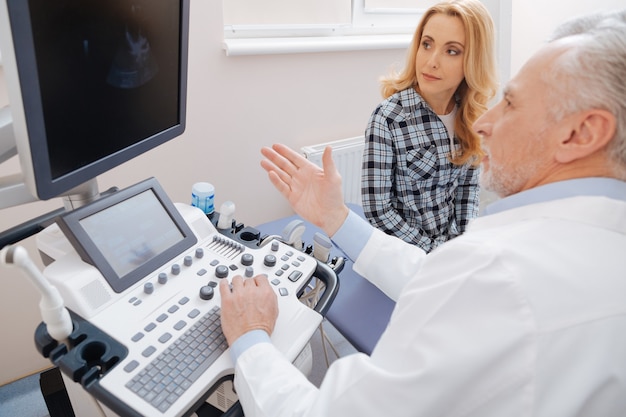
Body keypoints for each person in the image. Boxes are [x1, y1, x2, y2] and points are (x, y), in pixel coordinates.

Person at [219, 9, 626, 417]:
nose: (486, 122)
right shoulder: (591, 248)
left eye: (513, 103)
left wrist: (251, 341)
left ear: (582, 133)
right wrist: (337, 219)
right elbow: (432, 267)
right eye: (428, 44)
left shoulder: (492, 272)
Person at [361, 0, 497, 252]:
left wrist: (462, 242)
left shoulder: (471, 117)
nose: (431, 61)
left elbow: (467, 189)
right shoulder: (388, 119)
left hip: (453, 248)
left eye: (452, 51)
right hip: (405, 254)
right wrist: (435, 251)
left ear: (474, 61)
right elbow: (378, 210)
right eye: (427, 44)